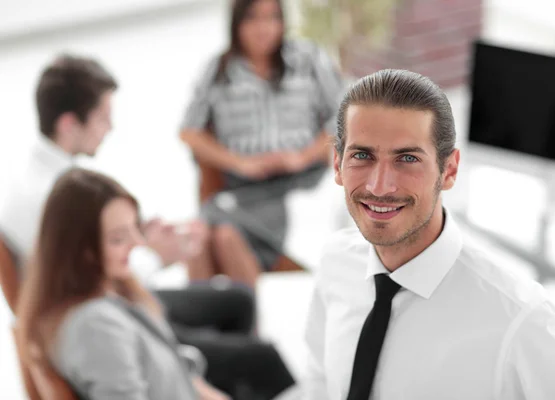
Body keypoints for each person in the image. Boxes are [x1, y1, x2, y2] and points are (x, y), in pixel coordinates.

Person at [0, 54, 295, 398]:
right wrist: (155, 254)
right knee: (259, 356)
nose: (110, 128)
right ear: (69, 124)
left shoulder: (48, 185)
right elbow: (91, 277)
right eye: (103, 118)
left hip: (108, 298)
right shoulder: (50, 200)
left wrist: (139, 236)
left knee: (238, 300)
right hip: (105, 300)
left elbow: (93, 260)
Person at [303, 69, 555, 399]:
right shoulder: (336, 263)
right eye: (362, 156)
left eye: (407, 158)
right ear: (337, 165)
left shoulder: (525, 324)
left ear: (450, 170)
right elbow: (319, 382)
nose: (379, 186)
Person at [16, 168, 230, 400]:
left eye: (135, 229)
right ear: (82, 251)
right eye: (118, 238)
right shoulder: (95, 327)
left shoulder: (107, 295)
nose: (138, 242)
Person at [180, 0, 343, 287]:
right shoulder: (219, 70)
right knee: (205, 237)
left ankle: (245, 323)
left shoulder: (308, 59)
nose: (263, 29)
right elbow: (190, 132)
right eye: (253, 19)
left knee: (223, 232)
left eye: (272, 19)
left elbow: (345, 116)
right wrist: (240, 163)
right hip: (244, 187)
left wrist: (303, 156)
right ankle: (202, 323)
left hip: (300, 181)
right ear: (237, 23)